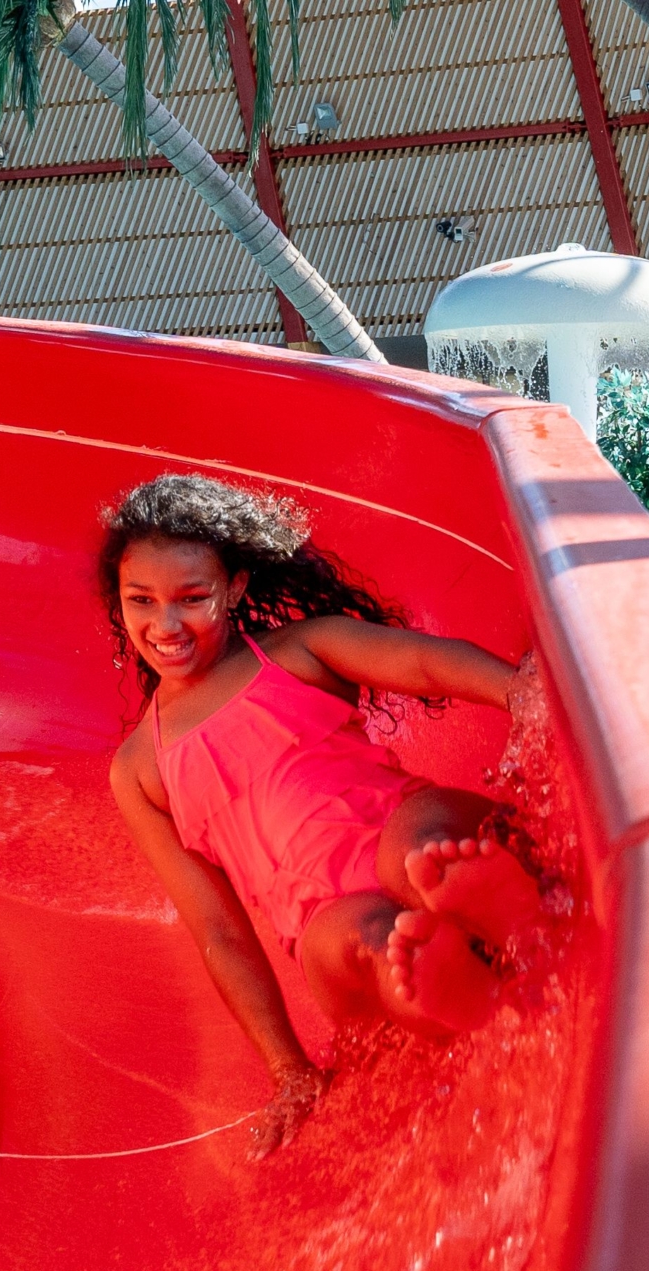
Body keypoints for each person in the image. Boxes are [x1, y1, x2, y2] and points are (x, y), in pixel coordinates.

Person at [102, 474, 538, 1155]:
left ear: (236, 589)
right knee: (362, 943)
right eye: (142, 601)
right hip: (322, 915)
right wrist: (289, 1071)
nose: (165, 624)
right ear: (120, 603)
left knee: (418, 851)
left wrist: (517, 692)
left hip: (395, 821)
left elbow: (422, 664)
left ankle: (493, 908)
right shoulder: (139, 769)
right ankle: (444, 980)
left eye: (192, 598)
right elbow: (219, 932)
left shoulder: (295, 652)